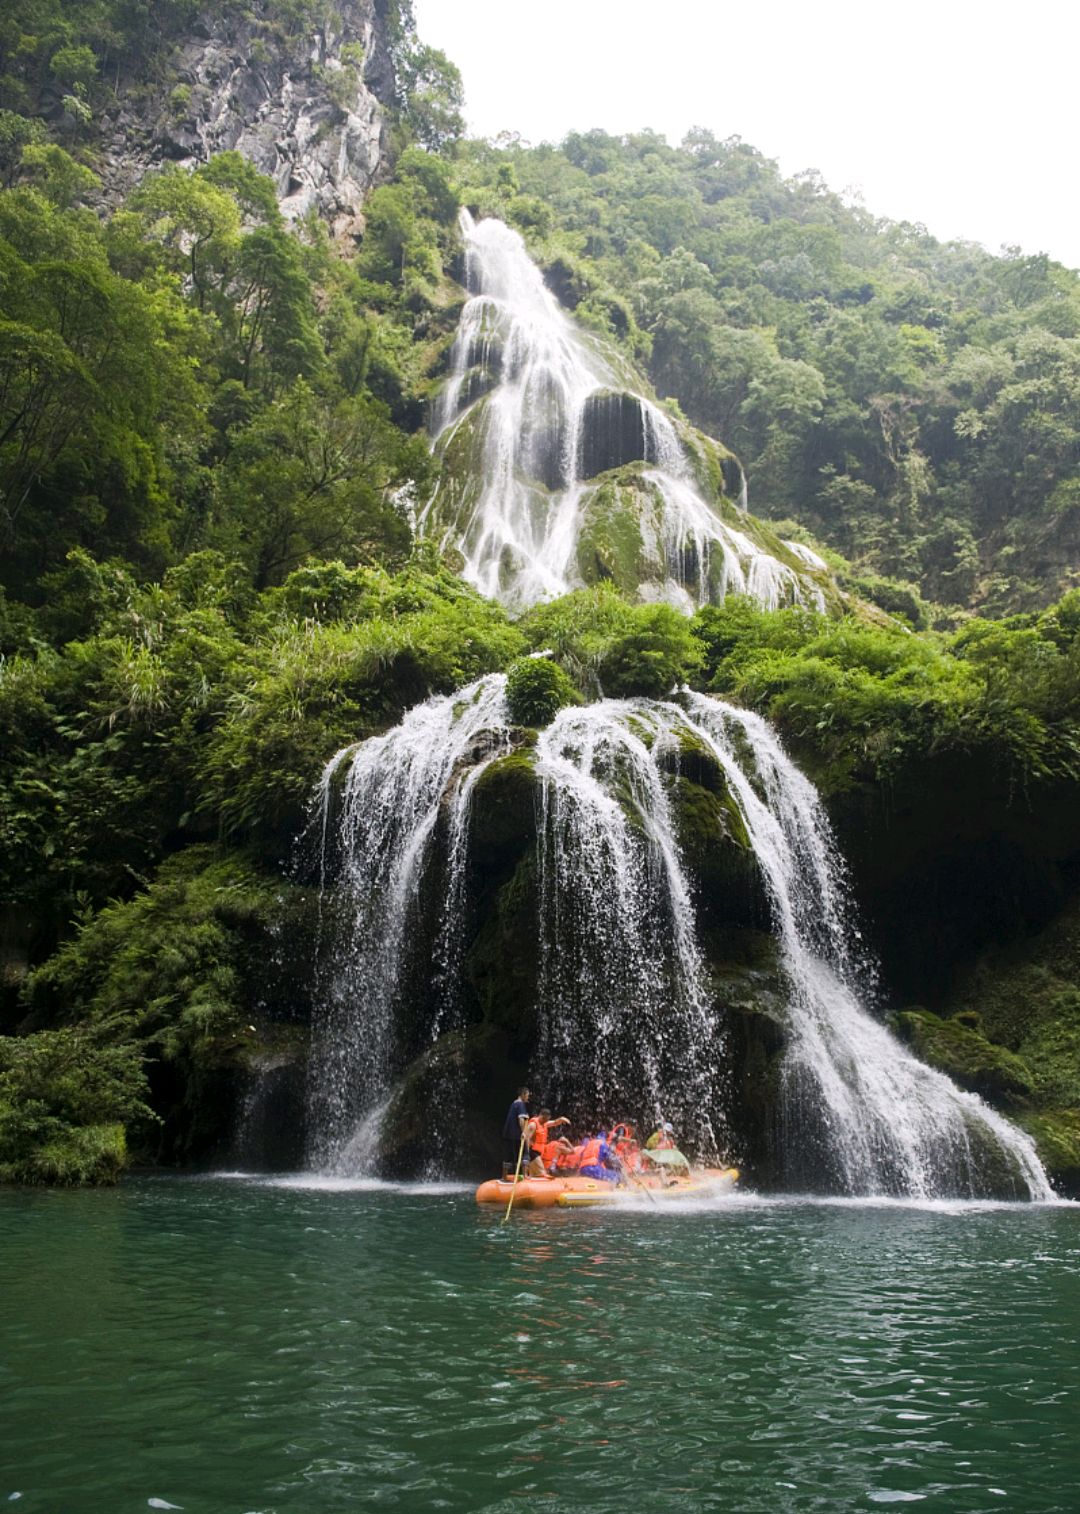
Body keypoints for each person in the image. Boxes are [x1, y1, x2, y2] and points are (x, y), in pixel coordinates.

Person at [502, 1086, 531, 1176]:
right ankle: (525, 1176)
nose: (528, 1097)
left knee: (509, 1155)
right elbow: (521, 1119)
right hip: (517, 1134)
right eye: (527, 1095)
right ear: (522, 1095)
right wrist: (523, 1132)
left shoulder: (513, 1104)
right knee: (525, 1153)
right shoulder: (521, 1104)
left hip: (508, 1134)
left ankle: (504, 1176)